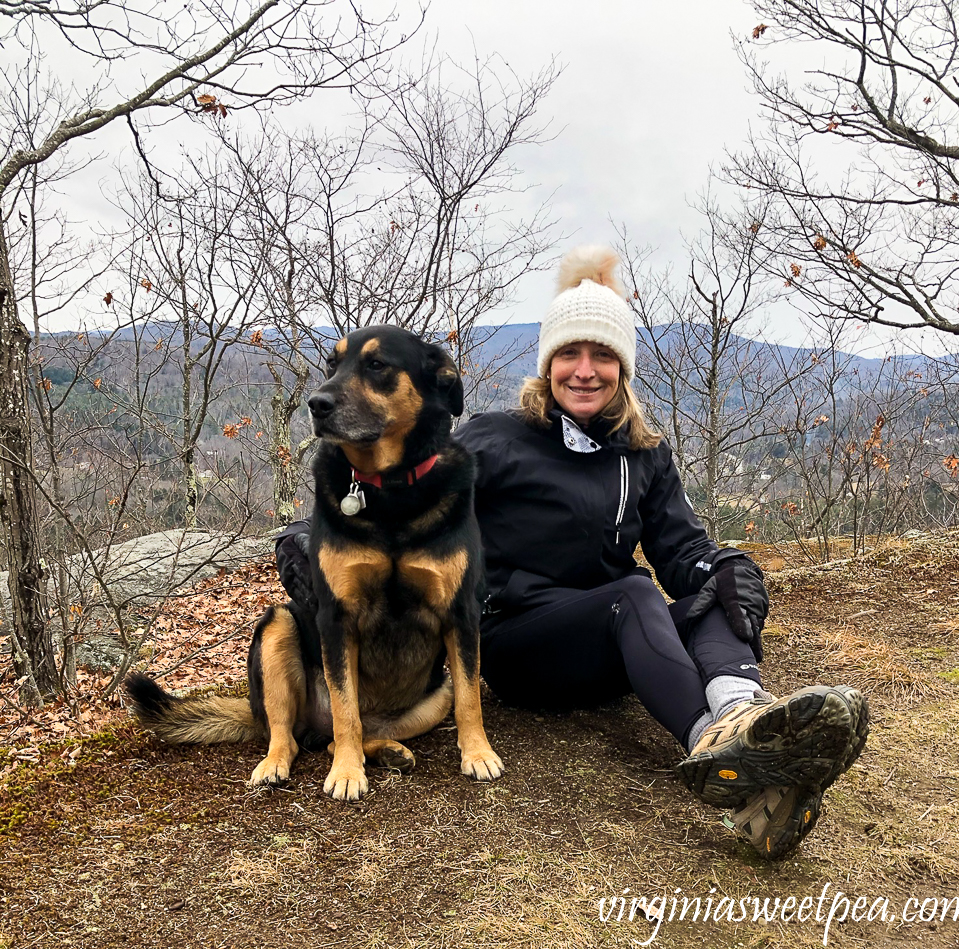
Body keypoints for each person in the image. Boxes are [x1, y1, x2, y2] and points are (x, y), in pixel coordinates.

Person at [276, 245, 867, 859]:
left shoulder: (645, 454)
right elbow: (409, 494)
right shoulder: (498, 439)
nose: (584, 371)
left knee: (710, 589)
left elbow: (680, 547)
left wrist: (723, 567)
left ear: (624, 368)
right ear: (548, 364)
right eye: (569, 354)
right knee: (635, 593)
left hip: (608, 639)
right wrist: (308, 535)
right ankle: (714, 739)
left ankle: (752, 738)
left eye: (602, 355)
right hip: (521, 645)